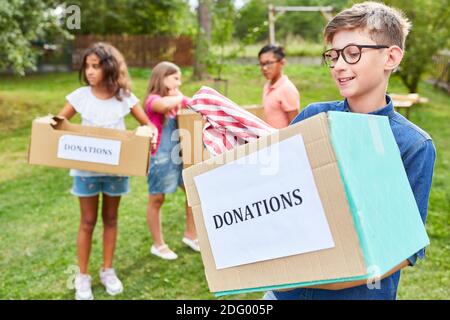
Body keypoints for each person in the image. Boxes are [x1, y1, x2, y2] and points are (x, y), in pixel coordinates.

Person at [264, 1, 436, 300]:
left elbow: (407, 248)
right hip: (283, 294)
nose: (339, 65)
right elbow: (279, 195)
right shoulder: (312, 118)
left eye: (353, 53)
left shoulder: (414, 145)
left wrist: (334, 279)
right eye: (333, 56)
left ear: (391, 57)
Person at [56, 42, 157, 300]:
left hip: (116, 171)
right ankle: (83, 276)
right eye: (87, 66)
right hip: (85, 170)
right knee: (87, 221)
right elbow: (59, 123)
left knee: (111, 219)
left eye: (96, 66)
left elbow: (147, 124)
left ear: (109, 67)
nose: (90, 72)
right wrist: (49, 125)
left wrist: (145, 135)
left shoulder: (124, 98)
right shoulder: (80, 96)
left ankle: (108, 270)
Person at [144, 61, 199, 260]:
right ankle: (158, 245)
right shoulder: (153, 100)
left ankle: (191, 235)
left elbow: (193, 103)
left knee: (193, 192)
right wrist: (179, 96)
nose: (179, 82)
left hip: (180, 154)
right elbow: (165, 105)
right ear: (163, 78)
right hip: (160, 156)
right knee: (157, 199)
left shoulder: (175, 99)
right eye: (175, 78)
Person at [258, 44, 300, 128]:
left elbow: (295, 126)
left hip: (282, 140)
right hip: (270, 138)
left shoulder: (287, 89)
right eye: (262, 64)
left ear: (282, 62)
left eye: (269, 63)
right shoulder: (267, 86)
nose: (264, 68)